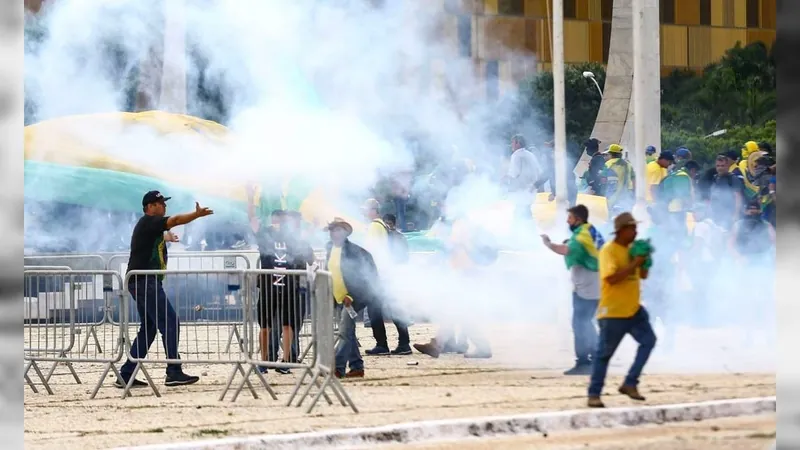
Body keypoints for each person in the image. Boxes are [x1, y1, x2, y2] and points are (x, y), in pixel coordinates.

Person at [115, 191, 213, 389]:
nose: (164, 206)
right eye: (160, 203)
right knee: (170, 322)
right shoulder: (149, 222)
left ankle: (126, 374)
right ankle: (173, 371)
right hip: (145, 282)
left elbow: (156, 236)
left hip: (142, 282)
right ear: (150, 206)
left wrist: (166, 237)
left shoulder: (150, 226)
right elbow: (175, 220)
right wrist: (196, 215)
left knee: (150, 328)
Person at [588, 212, 656, 408]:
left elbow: (642, 275)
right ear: (621, 231)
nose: (635, 232)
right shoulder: (609, 251)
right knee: (604, 355)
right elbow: (611, 278)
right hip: (613, 312)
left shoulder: (632, 249)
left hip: (633, 309)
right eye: (632, 229)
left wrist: (645, 261)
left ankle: (630, 382)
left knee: (649, 341)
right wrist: (635, 262)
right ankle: (594, 394)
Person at [541, 204, 605, 375]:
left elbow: (566, 249)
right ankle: (598, 356)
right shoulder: (588, 231)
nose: (568, 221)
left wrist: (549, 244)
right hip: (593, 283)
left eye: (570, 218)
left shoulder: (581, 236)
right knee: (585, 322)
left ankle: (584, 362)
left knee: (580, 323)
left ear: (579, 219)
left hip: (588, 285)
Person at [326, 217, 382, 378]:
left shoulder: (355, 252)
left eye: (337, 230)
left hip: (352, 298)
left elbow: (362, 278)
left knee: (344, 332)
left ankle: (338, 367)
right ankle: (357, 366)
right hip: (338, 297)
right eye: (332, 230)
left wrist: (351, 295)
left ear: (345, 232)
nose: (334, 233)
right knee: (348, 332)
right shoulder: (329, 247)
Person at [361, 199, 411, 355]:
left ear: (373, 210)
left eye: (366, 209)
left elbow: (373, 252)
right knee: (394, 308)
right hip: (387, 273)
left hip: (379, 274)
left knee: (375, 310)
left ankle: (382, 344)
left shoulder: (375, 226)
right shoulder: (382, 225)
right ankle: (404, 343)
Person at [505, 134, 541, 222]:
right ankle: (528, 231)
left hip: (521, 190)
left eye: (513, 142)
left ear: (518, 143)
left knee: (520, 213)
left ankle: (522, 232)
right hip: (531, 189)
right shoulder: (531, 155)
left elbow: (514, 173)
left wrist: (504, 177)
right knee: (526, 211)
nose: (511, 145)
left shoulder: (516, 155)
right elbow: (539, 171)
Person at [709, 154, 744, 230]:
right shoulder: (715, 178)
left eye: (722, 166)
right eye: (718, 166)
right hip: (716, 216)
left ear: (727, 166)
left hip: (729, 216)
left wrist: (736, 214)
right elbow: (712, 196)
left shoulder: (733, 179)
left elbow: (738, 197)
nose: (720, 168)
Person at [600, 144, 634, 213]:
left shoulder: (607, 164)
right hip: (627, 196)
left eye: (606, 155)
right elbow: (634, 180)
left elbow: (602, 180)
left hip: (612, 196)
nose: (604, 157)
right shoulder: (629, 165)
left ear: (611, 155)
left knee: (611, 218)